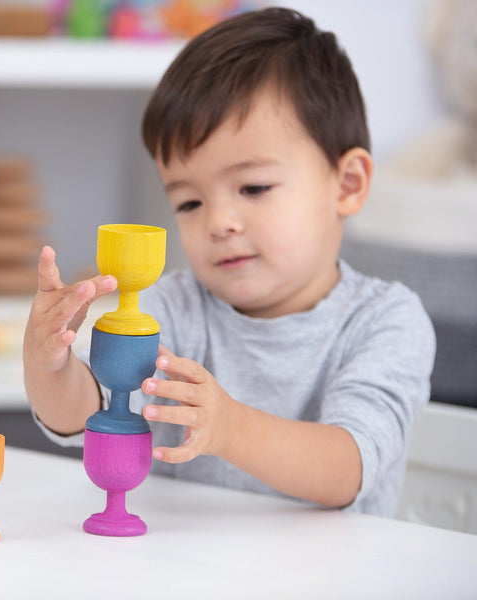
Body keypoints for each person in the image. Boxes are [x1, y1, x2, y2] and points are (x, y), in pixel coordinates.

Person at [23, 7, 436, 517]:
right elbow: (88, 414)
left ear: (346, 184)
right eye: (190, 203)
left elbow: (347, 468)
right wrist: (47, 364)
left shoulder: (386, 321)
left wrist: (232, 427)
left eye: (254, 187)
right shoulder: (173, 307)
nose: (219, 222)